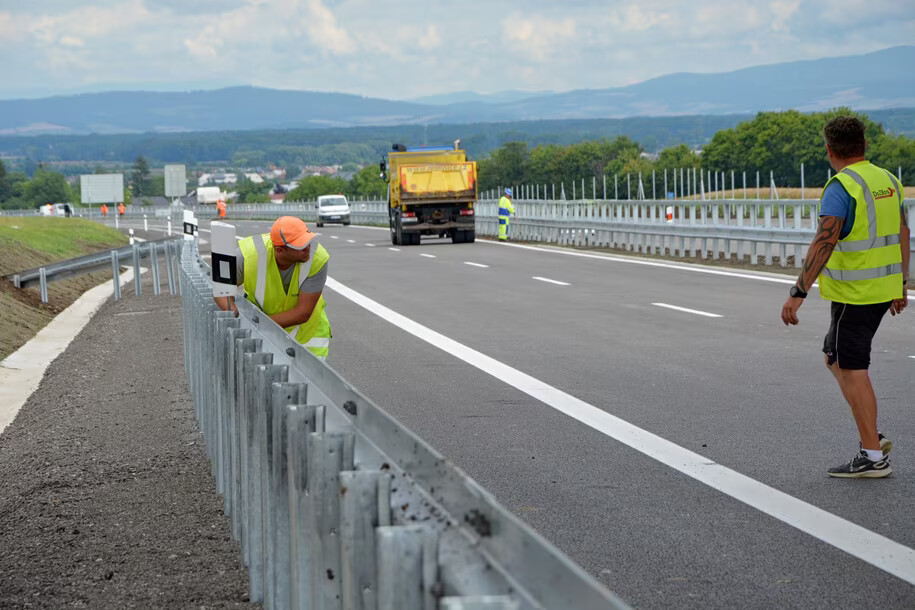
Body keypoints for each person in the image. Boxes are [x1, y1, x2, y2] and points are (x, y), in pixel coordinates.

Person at [780, 116, 908, 478]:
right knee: (834, 357)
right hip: (879, 290)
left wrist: (798, 292)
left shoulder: (841, 187)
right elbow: (903, 231)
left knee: (852, 368)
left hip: (857, 293)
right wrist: (900, 283)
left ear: (829, 150)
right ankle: (872, 435)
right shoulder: (889, 180)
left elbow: (825, 241)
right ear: (864, 144)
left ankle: (873, 456)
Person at [214, 216, 332, 360]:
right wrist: (234, 314)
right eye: (300, 246)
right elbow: (221, 289)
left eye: (308, 241)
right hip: (264, 336)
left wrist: (255, 325)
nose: (308, 248)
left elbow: (303, 312)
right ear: (280, 250)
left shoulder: (317, 258)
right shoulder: (250, 255)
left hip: (308, 338)